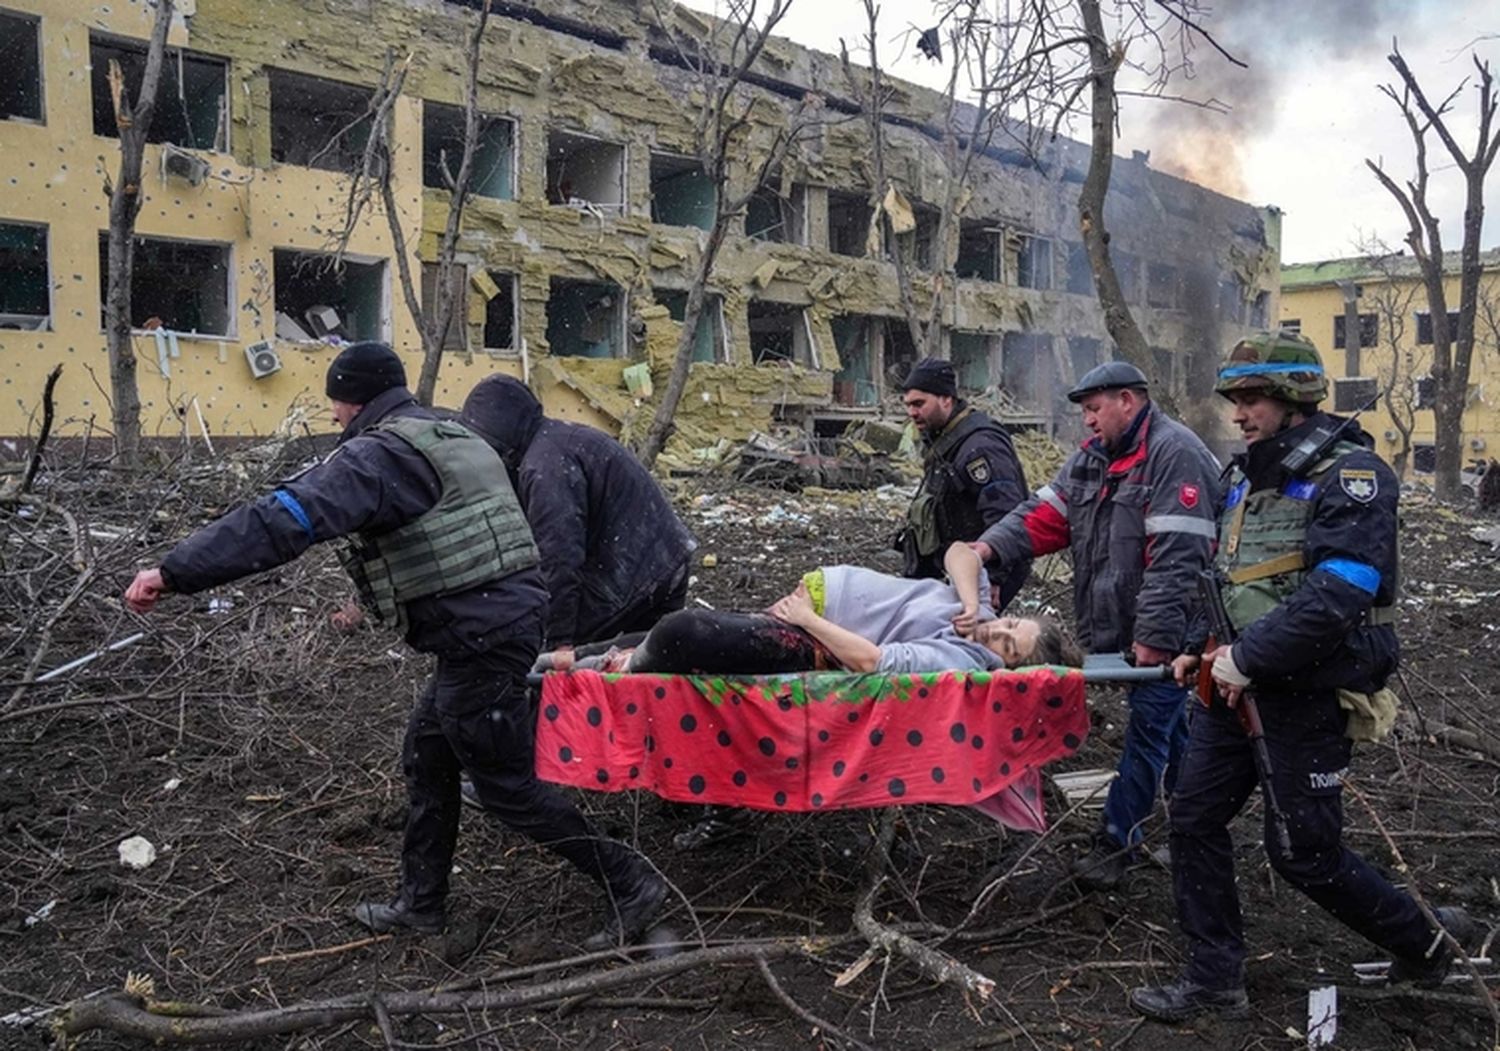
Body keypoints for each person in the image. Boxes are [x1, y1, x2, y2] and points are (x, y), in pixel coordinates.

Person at [123, 342, 666, 950]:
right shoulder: (445, 430)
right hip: (496, 622)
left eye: (334, 403)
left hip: (482, 634)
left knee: (504, 785)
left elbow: (284, 519)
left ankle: (630, 881)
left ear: (350, 401)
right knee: (427, 756)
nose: (332, 418)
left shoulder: (379, 456)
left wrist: (174, 572)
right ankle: (420, 904)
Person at [1131, 331, 1477, 1023]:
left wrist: (1247, 657)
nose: (1239, 412)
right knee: (1193, 816)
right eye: (1236, 398)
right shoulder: (1243, 479)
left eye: (1252, 397)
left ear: (1293, 398)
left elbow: (1340, 591)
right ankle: (1214, 980)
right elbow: (1229, 582)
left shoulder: (1351, 476)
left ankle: (1430, 943)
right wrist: (1200, 648)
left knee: (1303, 854)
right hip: (1231, 690)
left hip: (1306, 696)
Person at [973, 359, 1220, 890]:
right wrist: (987, 548)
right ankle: (1196, 825)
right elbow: (1042, 517)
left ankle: (1116, 841)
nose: (1086, 421)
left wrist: (1154, 638)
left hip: (1174, 629)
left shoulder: (1175, 455)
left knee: (1150, 728)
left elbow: (1179, 559)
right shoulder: (1091, 461)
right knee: (1172, 726)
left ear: (1127, 401)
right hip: (1123, 628)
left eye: (1093, 409)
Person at [460, 375, 696, 671]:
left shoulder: (543, 466)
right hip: (662, 559)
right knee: (643, 672)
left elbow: (558, 557)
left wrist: (558, 642)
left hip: (634, 573)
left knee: (567, 665)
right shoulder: (556, 440)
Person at [564, 543, 1083, 676]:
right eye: (1010, 625)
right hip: (808, 606)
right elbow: (961, 553)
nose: (997, 634)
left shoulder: (963, 660)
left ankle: (600, 668)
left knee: (686, 632)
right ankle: (562, 657)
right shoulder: (979, 613)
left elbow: (872, 662)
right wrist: (973, 602)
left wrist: (810, 621)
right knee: (678, 631)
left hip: (813, 641)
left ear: (1007, 668)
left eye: (1008, 648)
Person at [894, 357, 1030, 611]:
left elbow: (1005, 514)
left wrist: (993, 577)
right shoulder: (945, 441)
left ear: (947, 399)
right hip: (956, 568)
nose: (911, 412)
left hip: (980, 570)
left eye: (919, 404)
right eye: (908, 405)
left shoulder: (979, 446)